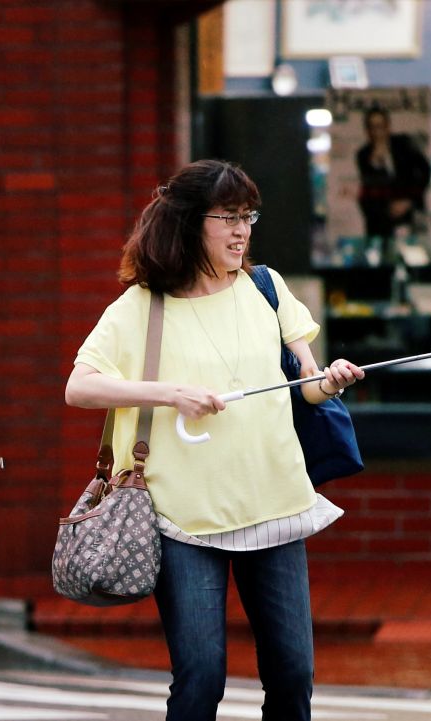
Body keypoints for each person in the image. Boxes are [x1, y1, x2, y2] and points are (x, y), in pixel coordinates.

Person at [65, 159, 365, 721]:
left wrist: (330, 382)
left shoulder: (267, 288)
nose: (241, 229)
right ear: (186, 222)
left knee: (293, 672)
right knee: (202, 677)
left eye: (248, 215)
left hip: (273, 502)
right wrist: (168, 393)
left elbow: (308, 385)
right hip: (185, 518)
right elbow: (79, 388)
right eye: (226, 217)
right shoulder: (142, 307)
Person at [355, 106, 431, 241]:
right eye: (373, 127)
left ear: (388, 126)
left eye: (381, 126)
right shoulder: (364, 154)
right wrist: (377, 162)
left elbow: (424, 171)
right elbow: (371, 185)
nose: (378, 132)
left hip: (409, 214)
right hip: (381, 219)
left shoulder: (403, 144)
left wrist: (409, 200)